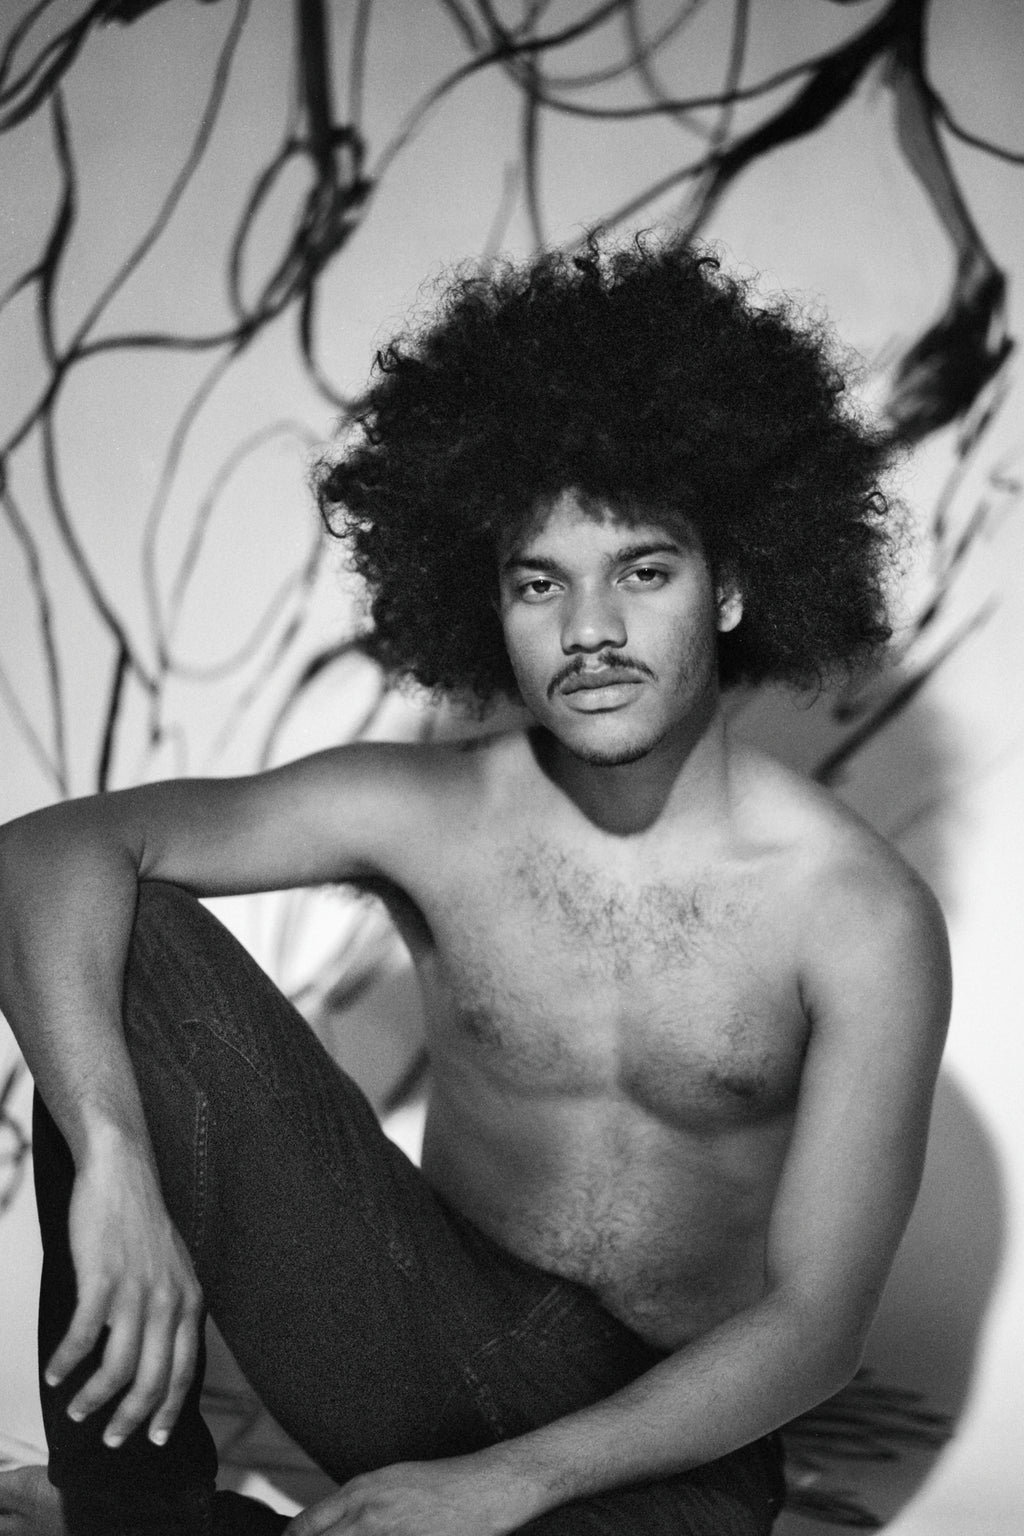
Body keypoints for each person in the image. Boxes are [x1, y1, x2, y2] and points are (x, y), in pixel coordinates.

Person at [0, 238, 951, 1536]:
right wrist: (115, 1156)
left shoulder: (858, 913)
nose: (590, 631)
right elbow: (42, 854)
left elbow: (817, 1328)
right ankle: (133, 1510)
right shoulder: (435, 812)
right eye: (539, 584)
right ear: (490, 606)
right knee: (120, 941)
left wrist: (508, 1484)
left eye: (644, 572)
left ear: (730, 587)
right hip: (423, 1337)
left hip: (673, 1440)